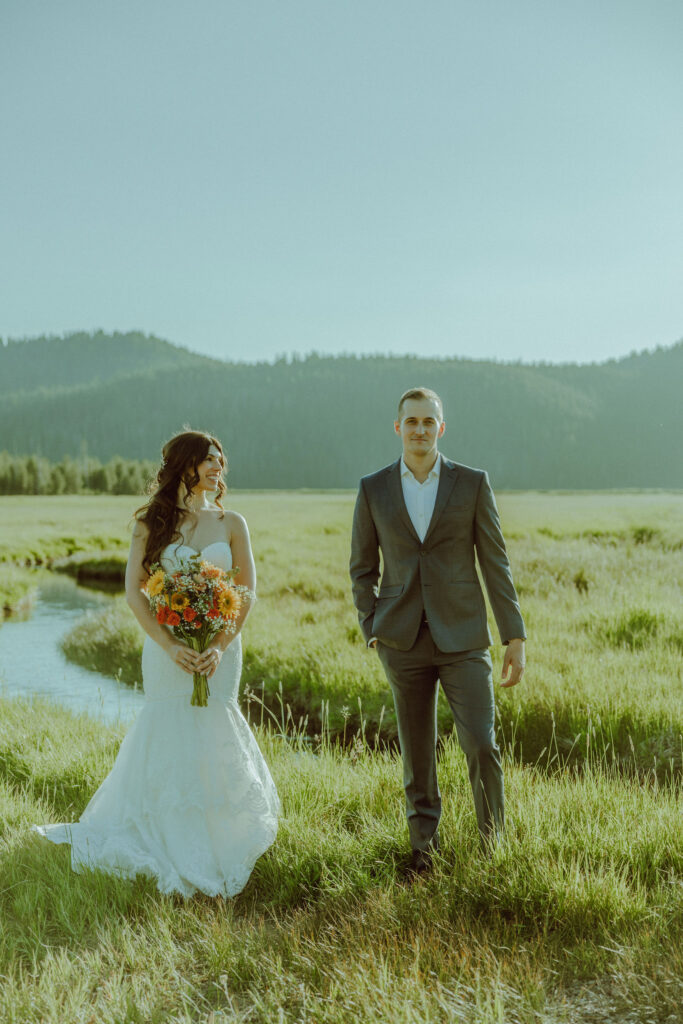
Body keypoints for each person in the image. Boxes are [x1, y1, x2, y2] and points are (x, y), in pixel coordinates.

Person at [35, 430, 279, 897]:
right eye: (208, 459)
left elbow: (247, 592)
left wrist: (220, 644)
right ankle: (166, 836)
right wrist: (171, 646)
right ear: (184, 465)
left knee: (214, 725)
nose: (218, 467)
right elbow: (134, 592)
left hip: (218, 651)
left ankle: (220, 837)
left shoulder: (233, 523)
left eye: (220, 460)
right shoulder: (151, 522)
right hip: (168, 650)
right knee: (169, 729)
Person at [349, 388, 526, 878]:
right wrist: (372, 629)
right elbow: (361, 569)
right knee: (417, 753)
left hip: (465, 639)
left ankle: (493, 847)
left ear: (441, 428)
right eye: (412, 421)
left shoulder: (471, 483)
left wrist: (514, 635)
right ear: (398, 427)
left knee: (481, 744)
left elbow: (496, 562)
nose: (420, 429)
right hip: (401, 641)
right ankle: (423, 851)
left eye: (430, 421)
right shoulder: (373, 488)